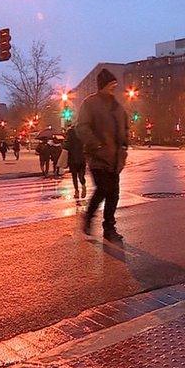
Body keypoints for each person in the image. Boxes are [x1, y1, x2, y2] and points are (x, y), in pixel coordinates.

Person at [76, 68, 129, 242]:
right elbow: (82, 127)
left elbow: (125, 127)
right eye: (111, 85)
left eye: (115, 85)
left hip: (115, 158)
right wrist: (95, 144)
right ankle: (88, 217)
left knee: (114, 194)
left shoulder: (118, 107)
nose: (114, 88)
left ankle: (109, 228)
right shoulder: (90, 103)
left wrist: (124, 146)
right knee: (103, 189)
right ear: (102, 86)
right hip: (97, 156)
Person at [65, 125, 87, 198]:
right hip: (81, 159)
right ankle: (83, 185)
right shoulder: (81, 137)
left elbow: (65, 147)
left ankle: (76, 191)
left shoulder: (69, 138)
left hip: (73, 160)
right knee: (81, 175)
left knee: (74, 177)